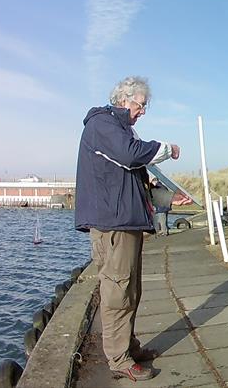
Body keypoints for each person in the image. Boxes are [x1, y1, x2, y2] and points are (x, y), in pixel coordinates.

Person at [75, 76, 180, 382]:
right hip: (113, 223)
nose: (143, 111)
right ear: (124, 99)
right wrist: (166, 148)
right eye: (141, 104)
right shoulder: (103, 124)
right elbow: (131, 154)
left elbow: (133, 171)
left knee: (131, 290)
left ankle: (128, 347)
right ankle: (119, 358)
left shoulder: (120, 128)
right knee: (117, 290)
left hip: (126, 221)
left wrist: (165, 192)